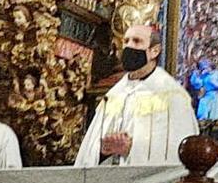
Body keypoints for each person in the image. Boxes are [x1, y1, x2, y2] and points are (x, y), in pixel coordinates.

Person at [75, 24, 199, 167]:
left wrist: (132, 148)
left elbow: (177, 150)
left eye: (137, 41)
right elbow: (90, 150)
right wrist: (103, 150)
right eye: (126, 41)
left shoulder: (172, 96)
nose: (129, 47)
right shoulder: (114, 95)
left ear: (155, 51)